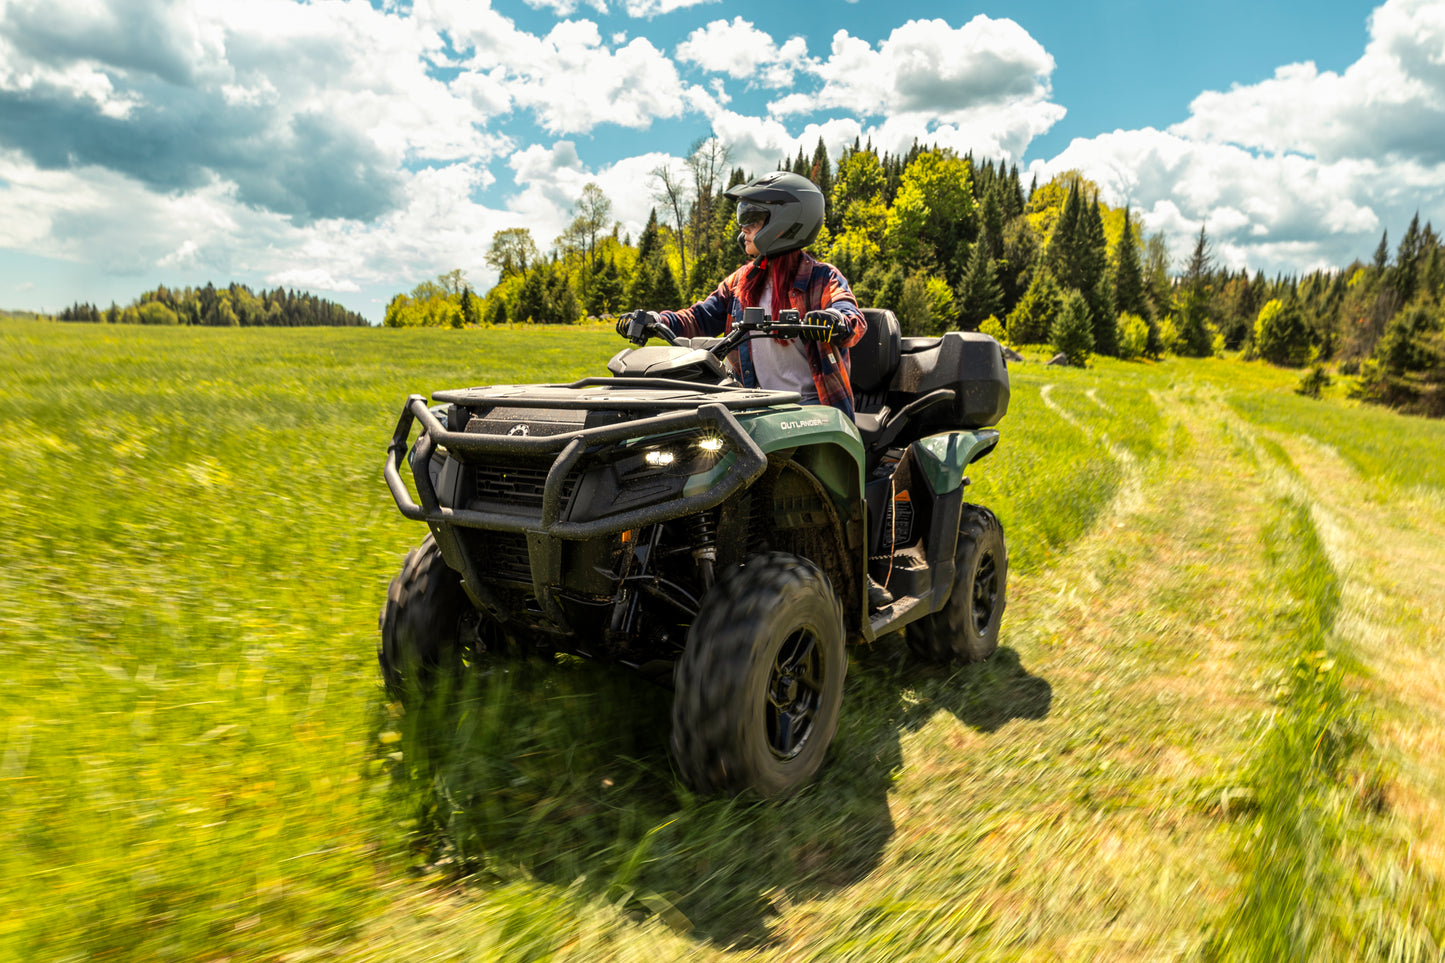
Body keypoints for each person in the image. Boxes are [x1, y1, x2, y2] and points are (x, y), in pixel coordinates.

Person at [617, 171, 868, 419]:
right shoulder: (741, 281)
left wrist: (835, 320)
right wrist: (656, 320)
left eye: (752, 218)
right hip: (758, 412)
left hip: (816, 415)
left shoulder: (822, 278)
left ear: (787, 221)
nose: (742, 226)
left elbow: (851, 316)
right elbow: (699, 318)